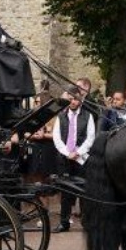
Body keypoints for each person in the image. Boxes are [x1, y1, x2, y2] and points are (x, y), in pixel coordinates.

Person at [51, 87, 96, 232]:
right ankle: (64, 222)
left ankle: (86, 222)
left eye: (75, 99)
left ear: (80, 100)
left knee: (83, 191)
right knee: (65, 192)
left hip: (81, 159)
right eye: (70, 99)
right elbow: (57, 138)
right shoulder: (61, 116)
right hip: (65, 159)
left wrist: (78, 152)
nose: (72, 101)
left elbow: (90, 138)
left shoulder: (88, 116)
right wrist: (67, 153)